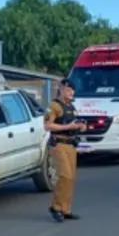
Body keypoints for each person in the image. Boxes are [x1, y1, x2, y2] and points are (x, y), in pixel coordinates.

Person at [44, 79, 87, 222]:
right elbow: (48, 126)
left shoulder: (71, 106)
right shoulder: (54, 106)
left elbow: (73, 122)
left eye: (72, 90)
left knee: (71, 178)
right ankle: (56, 207)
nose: (71, 93)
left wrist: (81, 126)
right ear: (61, 89)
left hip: (71, 145)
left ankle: (66, 209)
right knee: (64, 176)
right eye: (68, 90)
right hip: (59, 144)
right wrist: (67, 127)